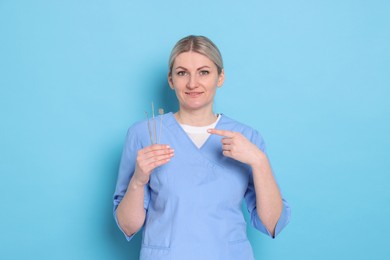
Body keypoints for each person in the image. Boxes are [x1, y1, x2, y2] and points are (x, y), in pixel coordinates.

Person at [113, 35, 291, 260]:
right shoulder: (144, 135)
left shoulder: (247, 137)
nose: (192, 83)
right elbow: (128, 226)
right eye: (182, 73)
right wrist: (138, 180)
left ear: (221, 77)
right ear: (171, 80)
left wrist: (259, 162)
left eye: (204, 72)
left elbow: (272, 223)